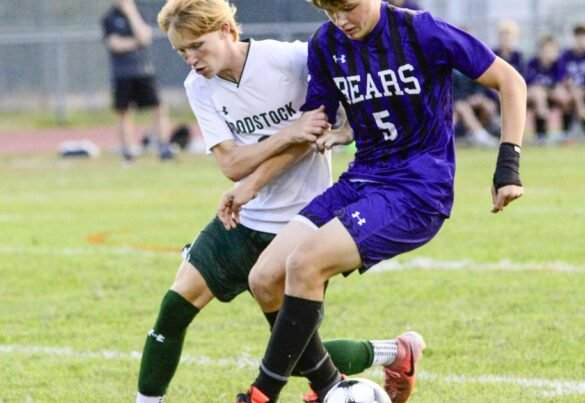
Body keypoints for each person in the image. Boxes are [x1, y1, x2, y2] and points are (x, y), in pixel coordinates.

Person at [224, 0, 526, 402]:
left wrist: (508, 165)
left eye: (347, 7)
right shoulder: (326, 43)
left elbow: (510, 80)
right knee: (264, 279)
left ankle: (261, 395)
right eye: (329, 11)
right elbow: (314, 125)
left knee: (304, 263)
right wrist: (252, 185)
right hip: (361, 179)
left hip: (417, 189)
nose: (340, 20)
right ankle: (334, 386)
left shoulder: (421, 31)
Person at [137, 1, 413, 402]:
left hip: (301, 226)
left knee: (295, 356)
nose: (191, 59)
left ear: (227, 30)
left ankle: (395, 351)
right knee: (173, 310)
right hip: (242, 221)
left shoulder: (291, 60)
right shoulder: (198, 86)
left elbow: (326, 124)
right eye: (182, 51)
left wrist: (320, 134)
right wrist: (289, 133)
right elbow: (232, 164)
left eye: (197, 46)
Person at [102, 0, 173, 161]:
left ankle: (164, 148)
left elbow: (145, 37)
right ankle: (127, 152)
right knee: (124, 112)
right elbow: (115, 44)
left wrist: (131, 13)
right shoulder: (109, 18)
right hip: (122, 74)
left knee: (159, 108)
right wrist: (136, 42)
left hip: (143, 71)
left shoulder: (139, 13)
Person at [555, 24, 585, 139]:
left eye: (583, 37)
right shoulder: (565, 56)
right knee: (574, 95)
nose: (580, 40)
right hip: (571, 90)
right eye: (578, 37)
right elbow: (563, 79)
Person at [525, 35, 564, 142]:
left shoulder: (557, 65)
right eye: (546, 50)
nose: (548, 53)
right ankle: (541, 133)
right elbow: (531, 86)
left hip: (550, 95)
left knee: (564, 96)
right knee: (539, 94)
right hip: (532, 96)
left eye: (551, 51)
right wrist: (547, 91)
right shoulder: (532, 64)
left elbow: (559, 85)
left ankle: (566, 129)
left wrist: (550, 92)